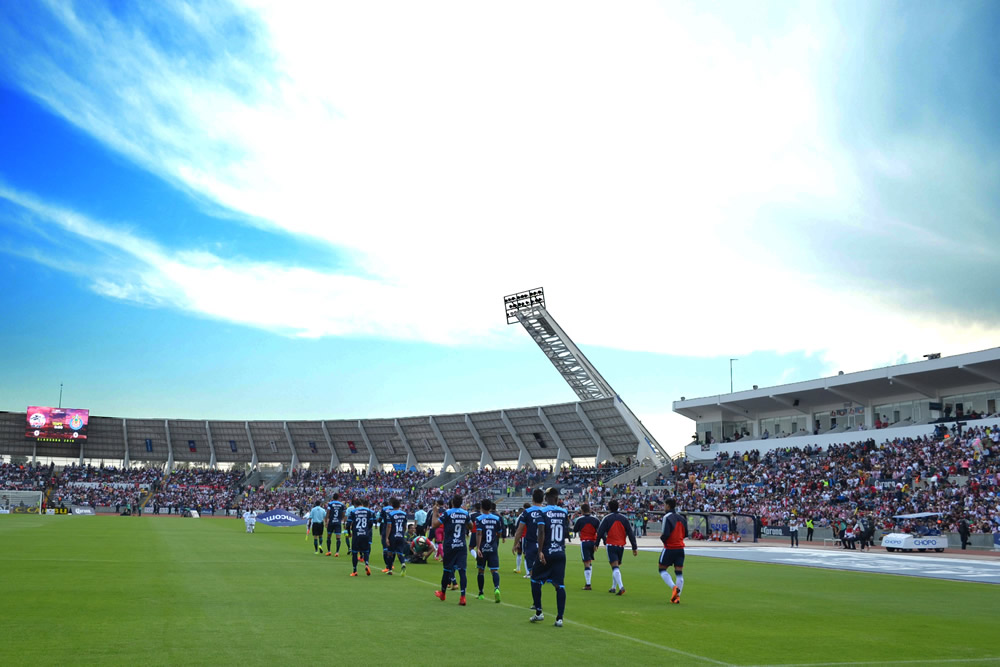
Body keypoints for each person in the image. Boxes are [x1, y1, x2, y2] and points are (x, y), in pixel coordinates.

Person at [530, 488, 569, 627]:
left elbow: (541, 531)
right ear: (557, 498)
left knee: (535, 578)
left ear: (546, 498)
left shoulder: (542, 511)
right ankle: (559, 618)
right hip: (560, 552)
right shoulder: (564, 512)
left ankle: (539, 612)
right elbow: (565, 531)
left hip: (546, 552)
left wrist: (540, 551)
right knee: (560, 585)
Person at [432, 494, 471, 605]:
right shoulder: (465, 513)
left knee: (447, 570)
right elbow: (471, 526)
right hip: (461, 545)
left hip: (450, 545)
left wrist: (435, 512)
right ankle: (463, 597)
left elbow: (435, 524)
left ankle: (443, 593)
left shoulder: (448, 513)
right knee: (462, 571)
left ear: (453, 503)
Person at [596, 499, 638, 595]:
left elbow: (600, 532)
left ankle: (621, 586)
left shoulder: (606, 518)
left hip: (611, 544)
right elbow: (630, 533)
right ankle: (613, 587)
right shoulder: (624, 518)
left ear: (609, 507)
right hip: (621, 546)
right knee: (616, 566)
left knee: (614, 566)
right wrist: (634, 547)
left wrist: (596, 544)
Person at [474, 498, 504, 602]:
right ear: (490, 507)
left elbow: (479, 533)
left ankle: (481, 593)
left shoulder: (479, 519)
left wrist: (478, 548)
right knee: (494, 570)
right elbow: (499, 532)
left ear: (482, 507)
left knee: (481, 570)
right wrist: (496, 542)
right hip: (493, 547)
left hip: (483, 547)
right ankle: (497, 588)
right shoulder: (496, 518)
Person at [659, 498, 687, 604]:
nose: (664, 507)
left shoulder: (667, 517)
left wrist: (663, 540)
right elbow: (685, 534)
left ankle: (674, 587)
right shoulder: (682, 518)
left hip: (670, 547)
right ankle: (677, 597)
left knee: (662, 569)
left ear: (668, 506)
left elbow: (665, 533)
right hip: (680, 548)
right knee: (679, 573)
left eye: (665, 505)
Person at [512, 490, 546, 582]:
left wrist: (515, 544)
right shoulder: (546, 511)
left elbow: (519, 530)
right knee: (543, 569)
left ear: (532, 499)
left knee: (533, 574)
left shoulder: (527, 512)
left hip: (531, 544)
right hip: (544, 545)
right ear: (543, 499)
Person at [572, 503, 600, 590]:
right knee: (589, 561)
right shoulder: (596, 520)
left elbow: (575, 529)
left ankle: (588, 584)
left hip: (585, 542)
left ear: (582, 510)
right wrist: (597, 543)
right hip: (593, 542)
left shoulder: (580, 520)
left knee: (586, 562)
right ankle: (588, 581)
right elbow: (599, 531)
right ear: (590, 509)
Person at [348, 497, 373, 577]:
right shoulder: (368, 511)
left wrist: (349, 532)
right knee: (366, 551)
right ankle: (366, 564)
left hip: (356, 534)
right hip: (365, 534)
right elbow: (371, 523)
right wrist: (367, 529)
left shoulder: (353, 511)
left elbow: (348, 524)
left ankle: (355, 571)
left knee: (355, 553)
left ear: (355, 505)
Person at [384, 497, 408, 576]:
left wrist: (387, 537)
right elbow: (405, 526)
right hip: (401, 535)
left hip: (393, 535)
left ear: (392, 505)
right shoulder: (404, 514)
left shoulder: (390, 514)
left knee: (390, 553)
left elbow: (389, 526)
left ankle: (390, 569)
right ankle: (403, 564)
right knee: (399, 552)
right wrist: (403, 533)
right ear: (399, 505)